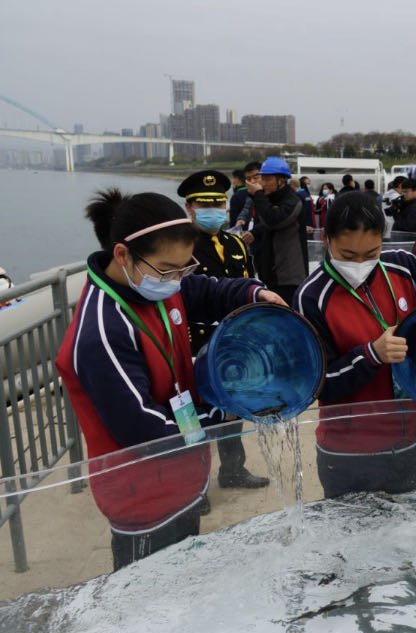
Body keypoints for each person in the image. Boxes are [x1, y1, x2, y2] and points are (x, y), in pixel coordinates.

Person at [55, 188, 284, 570]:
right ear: (123, 255)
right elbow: (141, 429)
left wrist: (254, 292)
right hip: (142, 499)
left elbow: (205, 290)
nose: (176, 279)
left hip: (182, 481)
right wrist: (223, 413)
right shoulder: (102, 330)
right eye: (167, 269)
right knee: (149, 608)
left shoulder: (156, 285)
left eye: (184, 268)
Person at [293, 191, 416, 498]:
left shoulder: (401, 267)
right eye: (348, 255)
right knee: (349, 540)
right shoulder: (311, 296)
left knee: (404, 535)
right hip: (346, 451)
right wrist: (371, 354)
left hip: (406, 441)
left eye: (371, 253)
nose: (360, 264)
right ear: (327, 240)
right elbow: (317, 384)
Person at [176, 168, 270, 493]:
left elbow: (248, 281)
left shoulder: (235, 244)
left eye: (218, 202)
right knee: (193, 420)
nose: (213, 209)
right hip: (193, 344)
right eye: (204, 204)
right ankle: (195, 487)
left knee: (233, 409)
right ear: (189, 207)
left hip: (231, 344)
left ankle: (233, 470)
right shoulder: (179, 247)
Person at [245, 156, 306, 302]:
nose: (263, 183)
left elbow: (273, 221)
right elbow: (264, 222)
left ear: (281, 180)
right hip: (269, 271)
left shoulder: (293, 201)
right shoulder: (269, 198)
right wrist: (254, 233)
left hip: (288, 275)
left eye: (267, 180)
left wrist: (258, 195)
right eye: (262, 179)